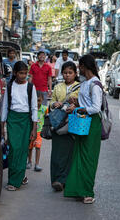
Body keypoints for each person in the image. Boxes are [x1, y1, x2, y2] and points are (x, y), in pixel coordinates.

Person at [64, 54, 103, 204]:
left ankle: (88, 192)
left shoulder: (95, 84)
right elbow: (85, 102)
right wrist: (77, 102)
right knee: (79, 155)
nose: (78, 69)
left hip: (92, 122)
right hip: (82, 121)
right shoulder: (85, 83)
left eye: (79, 66)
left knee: (89, 158)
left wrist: (81, 108)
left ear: (84, 66)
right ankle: (78, 189)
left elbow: (95, 108)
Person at [1, 61, 38, 191]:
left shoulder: (30, 87)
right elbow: (5, 106)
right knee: (13, 149)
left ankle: (15, 180)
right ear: (15, 73)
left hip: (25, 121)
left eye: (25, 73)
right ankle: (16, 176)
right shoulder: (10, 86)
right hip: (12, 120)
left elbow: (34, 108)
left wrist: (34, 128)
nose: (23, 76)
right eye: (21, 73)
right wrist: (2, 126)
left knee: (22, 150)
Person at [49, 61, 80, 192]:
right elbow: (51, 102)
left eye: (70, 73)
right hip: (58, 123)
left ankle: (64, 180)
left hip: (72, 123)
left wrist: (76, 105)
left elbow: (83, 103)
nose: (67, 75)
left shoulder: (80, 87)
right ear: (62, 73)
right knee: (56, 152)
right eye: (65, 73)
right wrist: (55, 103)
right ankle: (56, 179)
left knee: (69, 152)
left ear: (75, 74)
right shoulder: (58, 86)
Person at [27, 92, 48, 172]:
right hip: (32, 131)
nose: (37, 103)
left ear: (42, 100)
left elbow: (47, 118)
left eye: (39, 100)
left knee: (38, 147)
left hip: (39, 132)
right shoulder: (31, 109)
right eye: (35, 100)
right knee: (30, 147)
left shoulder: (44, 109)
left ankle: (37, 164)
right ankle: (29, 161)